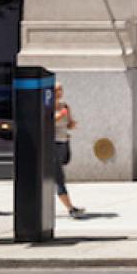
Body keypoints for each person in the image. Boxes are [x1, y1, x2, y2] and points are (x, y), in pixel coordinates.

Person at [52, 83, 85, 217]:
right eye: (57, 90)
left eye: (61, 89)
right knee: (58, 176)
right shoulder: (46, 107)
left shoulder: (65, 106)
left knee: (58, 171)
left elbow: (69, 123)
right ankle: (71, 208)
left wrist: (72, 124)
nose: (59, 92)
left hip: (64, 142)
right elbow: (46, 122)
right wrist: (60, 116)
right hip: (52, 143)